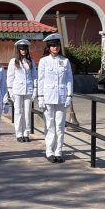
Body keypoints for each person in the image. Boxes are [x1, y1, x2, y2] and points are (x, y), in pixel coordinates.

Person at [37, 33, 74, 163]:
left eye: (57, 45)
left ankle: (58, 151)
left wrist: (69, 95)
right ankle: (49, 151)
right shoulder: (44, 61)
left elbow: (69, 79)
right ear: (49, 47)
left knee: (60, 125)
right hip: (48, 97)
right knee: (50, 125)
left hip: (61, 96)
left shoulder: (65, 61)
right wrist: (40, 97)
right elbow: (40, 80)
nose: (55, 48)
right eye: (52, 46)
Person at [7, 38, 38, 142]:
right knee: (18, 112)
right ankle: (19, 133)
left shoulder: (31, 61)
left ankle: (26, 133)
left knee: (27, 112)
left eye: (25, 49)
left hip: (28, 90)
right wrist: (10, 91)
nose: (23, 51)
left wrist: (35, 90)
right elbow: (10, 77)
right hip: (17, 90)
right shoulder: (13, 62)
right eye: (21, 49)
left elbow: (34, 76)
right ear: (18, 50)